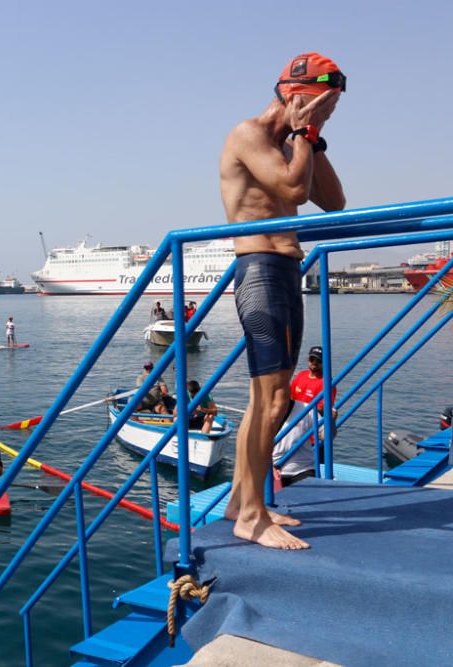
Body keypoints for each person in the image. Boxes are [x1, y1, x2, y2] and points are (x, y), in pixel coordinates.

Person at [220, 52, 346, 550]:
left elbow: (333, 200)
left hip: (287, 270)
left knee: (278, 399)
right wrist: (301, 135)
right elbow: (293, 185)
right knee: (267, 398)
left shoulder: (295, 142)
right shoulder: (249, 134)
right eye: (322, 106)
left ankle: (241, 500)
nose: (326, 115)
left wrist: (311, 137)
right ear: (295, 96)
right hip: (261, 271)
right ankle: (250, 516)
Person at [272, 399, 318, 488]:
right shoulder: (258, 412)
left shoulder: (306, 409)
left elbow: (326, 435)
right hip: (270, 471)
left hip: (302, 470)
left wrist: (330, 420)